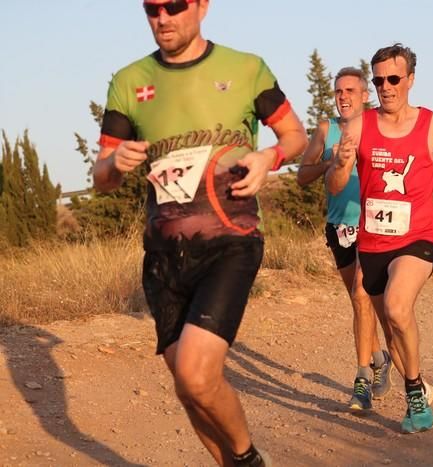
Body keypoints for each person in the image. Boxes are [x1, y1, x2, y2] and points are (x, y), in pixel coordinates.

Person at [93, 1, 307, 465]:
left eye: (174, 5)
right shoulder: (128, 81)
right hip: (164, 257)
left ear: (202, 6)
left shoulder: (246, 68)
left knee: (195, 374)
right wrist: (114, 164)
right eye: (152, 8)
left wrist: (269, 158)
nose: (162, 17)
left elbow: (296, 136)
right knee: (189, 390)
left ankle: (250, 460)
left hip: (232, 242)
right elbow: (101, 175)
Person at [326, 43, 433, 434]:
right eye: (378, 80)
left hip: (418, 236)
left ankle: (413, 396)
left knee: (395, 306)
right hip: (372, 243)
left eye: (393, 78)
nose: (385, 87)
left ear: (409, 79)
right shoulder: (359, 126)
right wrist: (340, 165)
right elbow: (335, 183)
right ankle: (419, 387)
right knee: (392, 330)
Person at [296, 67, 396, 413]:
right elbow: (301, 177)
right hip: (339, 228)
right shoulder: (326, 129)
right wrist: (331, 162)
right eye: (339, 91)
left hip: (374, 226)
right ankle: (382, 357)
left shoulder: (377, 124)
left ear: (364, 95)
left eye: (351, 90)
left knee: (364, 296)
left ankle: (363, 380)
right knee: (361, 304)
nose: (343, 97)